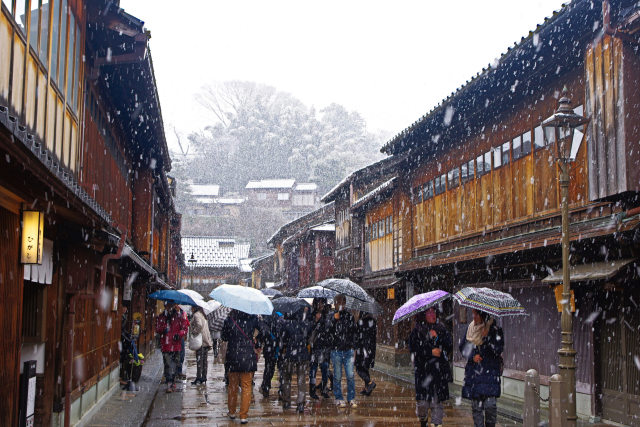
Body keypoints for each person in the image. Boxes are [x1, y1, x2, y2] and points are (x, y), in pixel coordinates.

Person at [460, 309, 504, 427]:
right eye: (473, 314)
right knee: (477, 409)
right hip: (475, 374)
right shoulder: (470, 329)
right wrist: (472, 356)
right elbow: (463, 348)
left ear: (483, 315)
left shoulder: (495, 330)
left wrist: (487, 337)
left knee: (490, 407)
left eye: (476, 314)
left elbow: (498, 349)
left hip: (490, 374)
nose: (473, 317)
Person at [409, 307, 453, 427]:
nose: (432, 314)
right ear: (423, 315)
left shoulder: (441, 328)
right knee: (422, 404)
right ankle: (423, 421)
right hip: (423, 373)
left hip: (438, 373)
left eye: (434, 312)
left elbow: (449, 345)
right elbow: (414, 350)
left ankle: (436, 423)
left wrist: (438, 337)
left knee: (436, 403)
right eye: (429, 312)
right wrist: (429, 351)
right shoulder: (417, 331)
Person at [221, 309, 262, 424]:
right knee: (246, 386)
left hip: (233, 356)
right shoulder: (253, 318)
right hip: (248, 356)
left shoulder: (230, 319)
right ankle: (243, 415)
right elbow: (265, 330)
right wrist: (257, 341)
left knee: (233, 386)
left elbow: (224, 337)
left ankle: (232, 411)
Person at [279, 307, 313, 412]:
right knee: (301, 379)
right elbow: (308, 339)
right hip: (302, 355)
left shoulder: (287, 325)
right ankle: (301, 403)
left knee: (287, 378)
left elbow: (283, 339)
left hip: (290, 354)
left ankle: (286, 401)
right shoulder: (306, 325)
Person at [329, 294, 357, 408]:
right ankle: (339, 397)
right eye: (338, 302)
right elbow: (328, 331)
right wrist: (334, 320)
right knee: (337, 375)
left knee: (350, 375)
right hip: (336, 350)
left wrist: (353, 346)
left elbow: (353, 331)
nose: (341, 305)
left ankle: (351, 397)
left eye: (342, 302)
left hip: (348, 349)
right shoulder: (331, 316)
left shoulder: (349, 316)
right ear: (335, 304)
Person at [155, 302, 190, 393]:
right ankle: (169, 383)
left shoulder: (179, 317)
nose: (169, 308)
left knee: (175, 364)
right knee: (167, 364)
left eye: (171, 306)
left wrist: (179, 334)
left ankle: (172, 381)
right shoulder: (162, 317)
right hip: (166, 344)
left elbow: (185, 328)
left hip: (176, 344)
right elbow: (158, 328)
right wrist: (163, 328)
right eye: (167, 306)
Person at [309, 298, 332, 399]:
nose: (321, 305)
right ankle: (312, 390)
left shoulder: (327, 315)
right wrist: (315, 322)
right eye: (319, 303)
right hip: (315, 347)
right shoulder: (311, 315)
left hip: (325, 346)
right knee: (313, 370)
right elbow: (309, 330)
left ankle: (323, 389)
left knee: (325, 369)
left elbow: (329, 329)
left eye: (322, 303)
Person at [258, 311, 282, 398]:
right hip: (281, 348)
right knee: (282, 370)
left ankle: (266, 387)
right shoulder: (283, 317)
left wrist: (259, 343)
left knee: (269, 368)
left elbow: (263, 333)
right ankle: (282, 390)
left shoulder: (267, 317)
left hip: (270, 348)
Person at [355, 310, 377, 396]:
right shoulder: (373, 322)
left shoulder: (360, 322)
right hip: (370, 349)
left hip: (363, 348)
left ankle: (370, 382)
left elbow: (358, 336)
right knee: (365, 368)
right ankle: (367, 389)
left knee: (359, 368)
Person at [190, 306, 213, 385]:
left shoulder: (196, 315)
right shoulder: (202, 314)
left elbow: (199, 325)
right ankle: (204, 376)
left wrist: (194, 331)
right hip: (205, 340)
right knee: (204, 360)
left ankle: (199, 378)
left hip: (201, 341)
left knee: (199, 359)